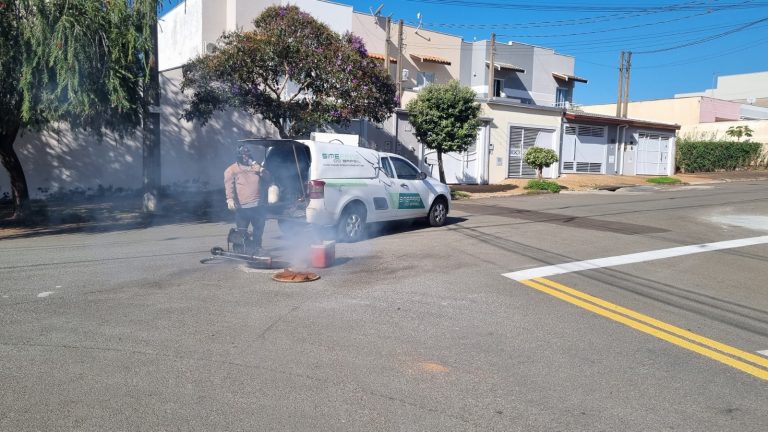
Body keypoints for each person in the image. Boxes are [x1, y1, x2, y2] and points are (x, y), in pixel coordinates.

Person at [224, 144, 270, 253]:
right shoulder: (232, 170)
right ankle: (244, 249)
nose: (246, 157)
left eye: (248, 154)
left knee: (258, 229)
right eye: (244, 155)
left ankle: (257, 247)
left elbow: (269, 178)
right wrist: (230, 199)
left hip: (258, 206)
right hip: (242, 208)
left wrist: (262, 171)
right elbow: (229, 186)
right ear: (238, 156)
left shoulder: (256, 166)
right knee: (242, 231)